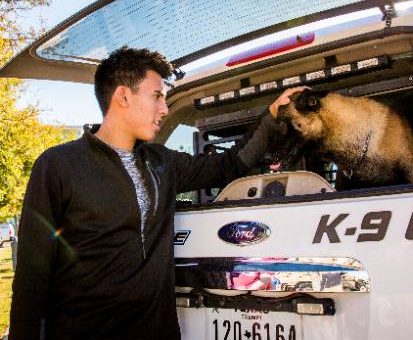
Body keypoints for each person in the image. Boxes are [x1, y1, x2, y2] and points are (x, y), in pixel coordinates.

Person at [9, 46, 304, 340]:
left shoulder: (161, 162)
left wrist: (271, 117)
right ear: (123, 96)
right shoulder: (58, 165)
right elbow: (31, 276)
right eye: (156, 96)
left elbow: (228, 165)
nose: (164, 108)